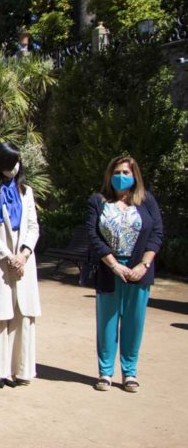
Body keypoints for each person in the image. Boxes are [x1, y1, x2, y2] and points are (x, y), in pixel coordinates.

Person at [85, 155, 163, 393]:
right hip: (110, 271)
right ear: (109, 175)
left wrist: (143, 266)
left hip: (139, 273)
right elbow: (93, 235)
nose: (121, 177)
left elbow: (156, 234)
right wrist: (113, 265)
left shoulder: (146, 201)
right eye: (117, 172)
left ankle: (130, 372)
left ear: (134, 176)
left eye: (126, 173)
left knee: (133, 323)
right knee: (107, 323)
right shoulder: (97, 201)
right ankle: (105, 372)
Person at [0, 142, 41, 388]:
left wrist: (23, 254)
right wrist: (9, 257)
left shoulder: (26, 192)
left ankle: (18, 370)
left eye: (17, 162)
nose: (15, 167)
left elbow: (33, 226)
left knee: (22, 314)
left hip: (24, 263)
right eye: (11, 162)